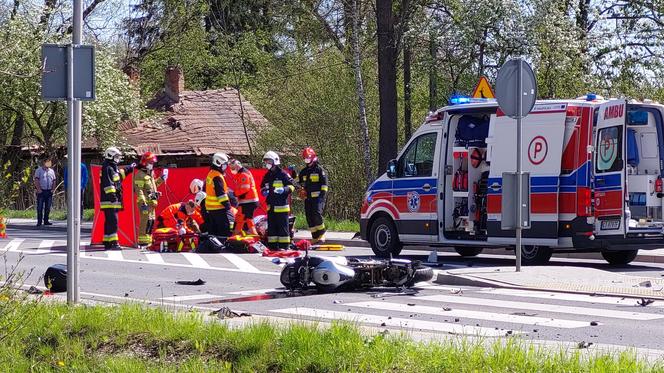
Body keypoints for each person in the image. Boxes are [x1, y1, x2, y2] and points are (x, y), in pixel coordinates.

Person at [100, 147, 135, 250]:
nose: (118, 158)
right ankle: (114, 243)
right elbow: (108, 184)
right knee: (113, 222)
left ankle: (107, 242)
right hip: (110, 200)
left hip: (110, 200)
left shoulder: (111, 167)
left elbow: (119, 177)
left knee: (109, 221)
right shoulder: (107, 167)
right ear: (110, 156)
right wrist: (113, 197)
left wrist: (130, 168)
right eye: (116, 156)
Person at [260, 151, 295, 250]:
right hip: (271, 206)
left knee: (283, 228)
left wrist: (284, 190)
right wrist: (264, 191)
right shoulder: (267, 175)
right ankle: (272, 246)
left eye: (269, 161)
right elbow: (262, 187)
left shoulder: (283, 174)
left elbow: (292, 186)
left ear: (275, 161)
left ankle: (284, 246)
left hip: (281, 207)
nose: (267, 164)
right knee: (272, 229)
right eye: (266, 161)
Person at [133, 152, 166, 249]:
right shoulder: (140, 175)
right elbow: (139, 190)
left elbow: (153, 186)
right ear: (145, 163)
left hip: (152, 203)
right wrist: (143, 202)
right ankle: (142, 241)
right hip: (145, 203)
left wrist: (161, 179)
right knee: (145, 221)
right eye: (151, 162)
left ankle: (148, 240)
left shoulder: (150, 175)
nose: (153, 165)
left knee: (151, 221)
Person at [297, 147, 329, 243]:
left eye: (307, 157)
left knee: (316, 214)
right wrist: (293, 175)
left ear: (313, 157)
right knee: (309, 217)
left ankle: (322, 234)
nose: (306, 159)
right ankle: (315, 237)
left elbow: (324, 185)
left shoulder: (319, 170)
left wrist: (321, 197)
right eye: (305, 158)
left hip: (318, 198)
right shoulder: (304, 171)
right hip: (308, 199)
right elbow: (297, 182)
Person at [205, 153, 232, 236]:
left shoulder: (211, 173)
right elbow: (221, 195)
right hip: (219, 208)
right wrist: (228, 206)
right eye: (224, 165)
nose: (225, 167)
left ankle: (213, 248)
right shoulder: (217, 176)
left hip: (210, 209)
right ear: (218, 163)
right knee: (223, 232)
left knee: (213, 233)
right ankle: (223, 248)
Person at [229, 159, 259, 235]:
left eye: (232, 168)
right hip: (246, 201)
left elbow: (245, 188)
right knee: (240, 218)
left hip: (249, 201)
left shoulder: (243, 174)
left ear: (237, 166)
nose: (231, 170)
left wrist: (234, 194)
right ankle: (235, 235)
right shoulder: (242, 174)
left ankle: (255, 237)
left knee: (247, 219)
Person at [34, 158, 56, 227]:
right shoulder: (38, 170)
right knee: (40, 207)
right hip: (41, 191)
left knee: (48, 207)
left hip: (49, 191)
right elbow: (36, 180)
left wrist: (53, 189)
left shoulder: (51, 171)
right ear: (44, 162)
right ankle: (39, 222)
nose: (49, 163)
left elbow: (54, 181)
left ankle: (46, 221)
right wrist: (39, 189)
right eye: (48, 162)